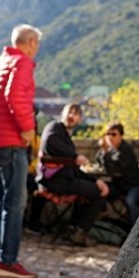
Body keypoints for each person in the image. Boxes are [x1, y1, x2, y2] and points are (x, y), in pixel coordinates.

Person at [0, 25, 42, 278]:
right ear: (32, 42)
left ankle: (1, 256)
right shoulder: (22, 63)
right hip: (11, 141)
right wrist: (26, 129)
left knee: (5, 201)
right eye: (37, 45)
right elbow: (15, 96)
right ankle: (7, 261)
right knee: (15, 202)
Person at [38, 104, 110, 245]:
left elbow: (75, 169)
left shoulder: (67, 139)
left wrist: (96, 181)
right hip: (56, 181)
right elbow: (50, 141)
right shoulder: (54, 127)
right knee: (99, 195)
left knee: (96, 189)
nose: (71, 116)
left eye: (76, 114)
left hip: (67, 179)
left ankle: (73, 228)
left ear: (79, 119)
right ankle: (79, 231)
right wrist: (75, 156)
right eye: (69, 112)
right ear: (62, 113)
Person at [95, 121, 139, 227]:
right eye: (108, 134)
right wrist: (104, 151)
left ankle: (138, 229)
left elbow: (116, 168)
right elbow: (99, 163)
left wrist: (106, 153)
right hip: (120, 185)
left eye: (114, 134)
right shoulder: (109, 149)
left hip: (136, 186)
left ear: (121, 135)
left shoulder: (125, 149)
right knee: (97, 189)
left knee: (131, 201)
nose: (110, 137)